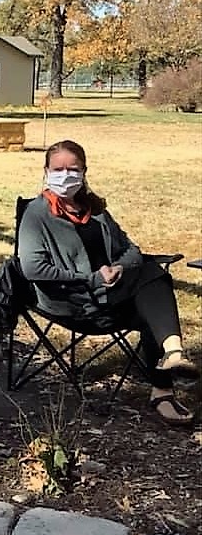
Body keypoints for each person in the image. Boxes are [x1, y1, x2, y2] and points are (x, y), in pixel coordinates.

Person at [17, 139, 198, 426]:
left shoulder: (95, 209)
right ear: (46, 171)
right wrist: (92, 278)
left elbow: (131, 250)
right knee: (154, 279)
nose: (66, 176)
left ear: (84, 171)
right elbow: (32, 268)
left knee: (152, 283)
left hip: (111, 294)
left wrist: (117, 268)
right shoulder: (36, 215)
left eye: (73, 169)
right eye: (58, 169)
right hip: (73, 301)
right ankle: (170, 360)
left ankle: (164, 385)